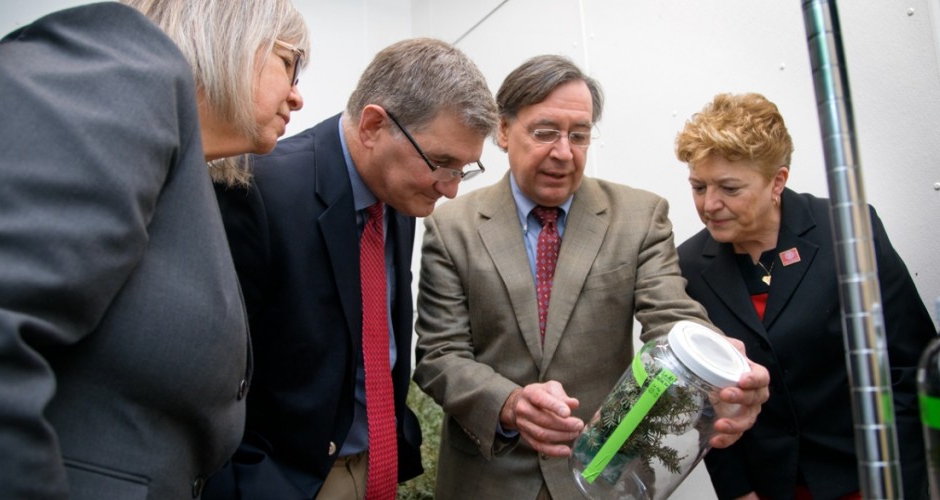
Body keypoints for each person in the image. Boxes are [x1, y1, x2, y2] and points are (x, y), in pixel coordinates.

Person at [0, 1, 308, 498]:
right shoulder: (124, 65)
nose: (298, 96)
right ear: (232, 35)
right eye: (290, 63)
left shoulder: (194, 186)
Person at [412, 54, 771, 500]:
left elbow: (672, 317)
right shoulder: (453, 226)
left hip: (602, 477)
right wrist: (509, 403)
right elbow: (439, 354)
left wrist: (721, 368)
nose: (563, 152)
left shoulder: (639, 217)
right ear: (503, 132)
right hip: (487, 480)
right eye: (545, 133)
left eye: (578, 135)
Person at [208, 37, 498, 499]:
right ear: (373, 125)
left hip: (374, 462)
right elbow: (211, 381)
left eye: (463, 169)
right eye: (441, 164)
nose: (450, 190)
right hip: (287, 480)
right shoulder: (257, 190)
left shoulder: (400, 189)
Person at [674, 92, 936, 500]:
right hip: (770, 488)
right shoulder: (690, 263)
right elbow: (704, 401)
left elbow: (911, 363)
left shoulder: (847, 231)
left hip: (868, 478)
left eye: (729, 187)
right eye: (698, 186)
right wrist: (738, 491)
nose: (710, 205)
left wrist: (902, 478)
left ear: (777, 181)